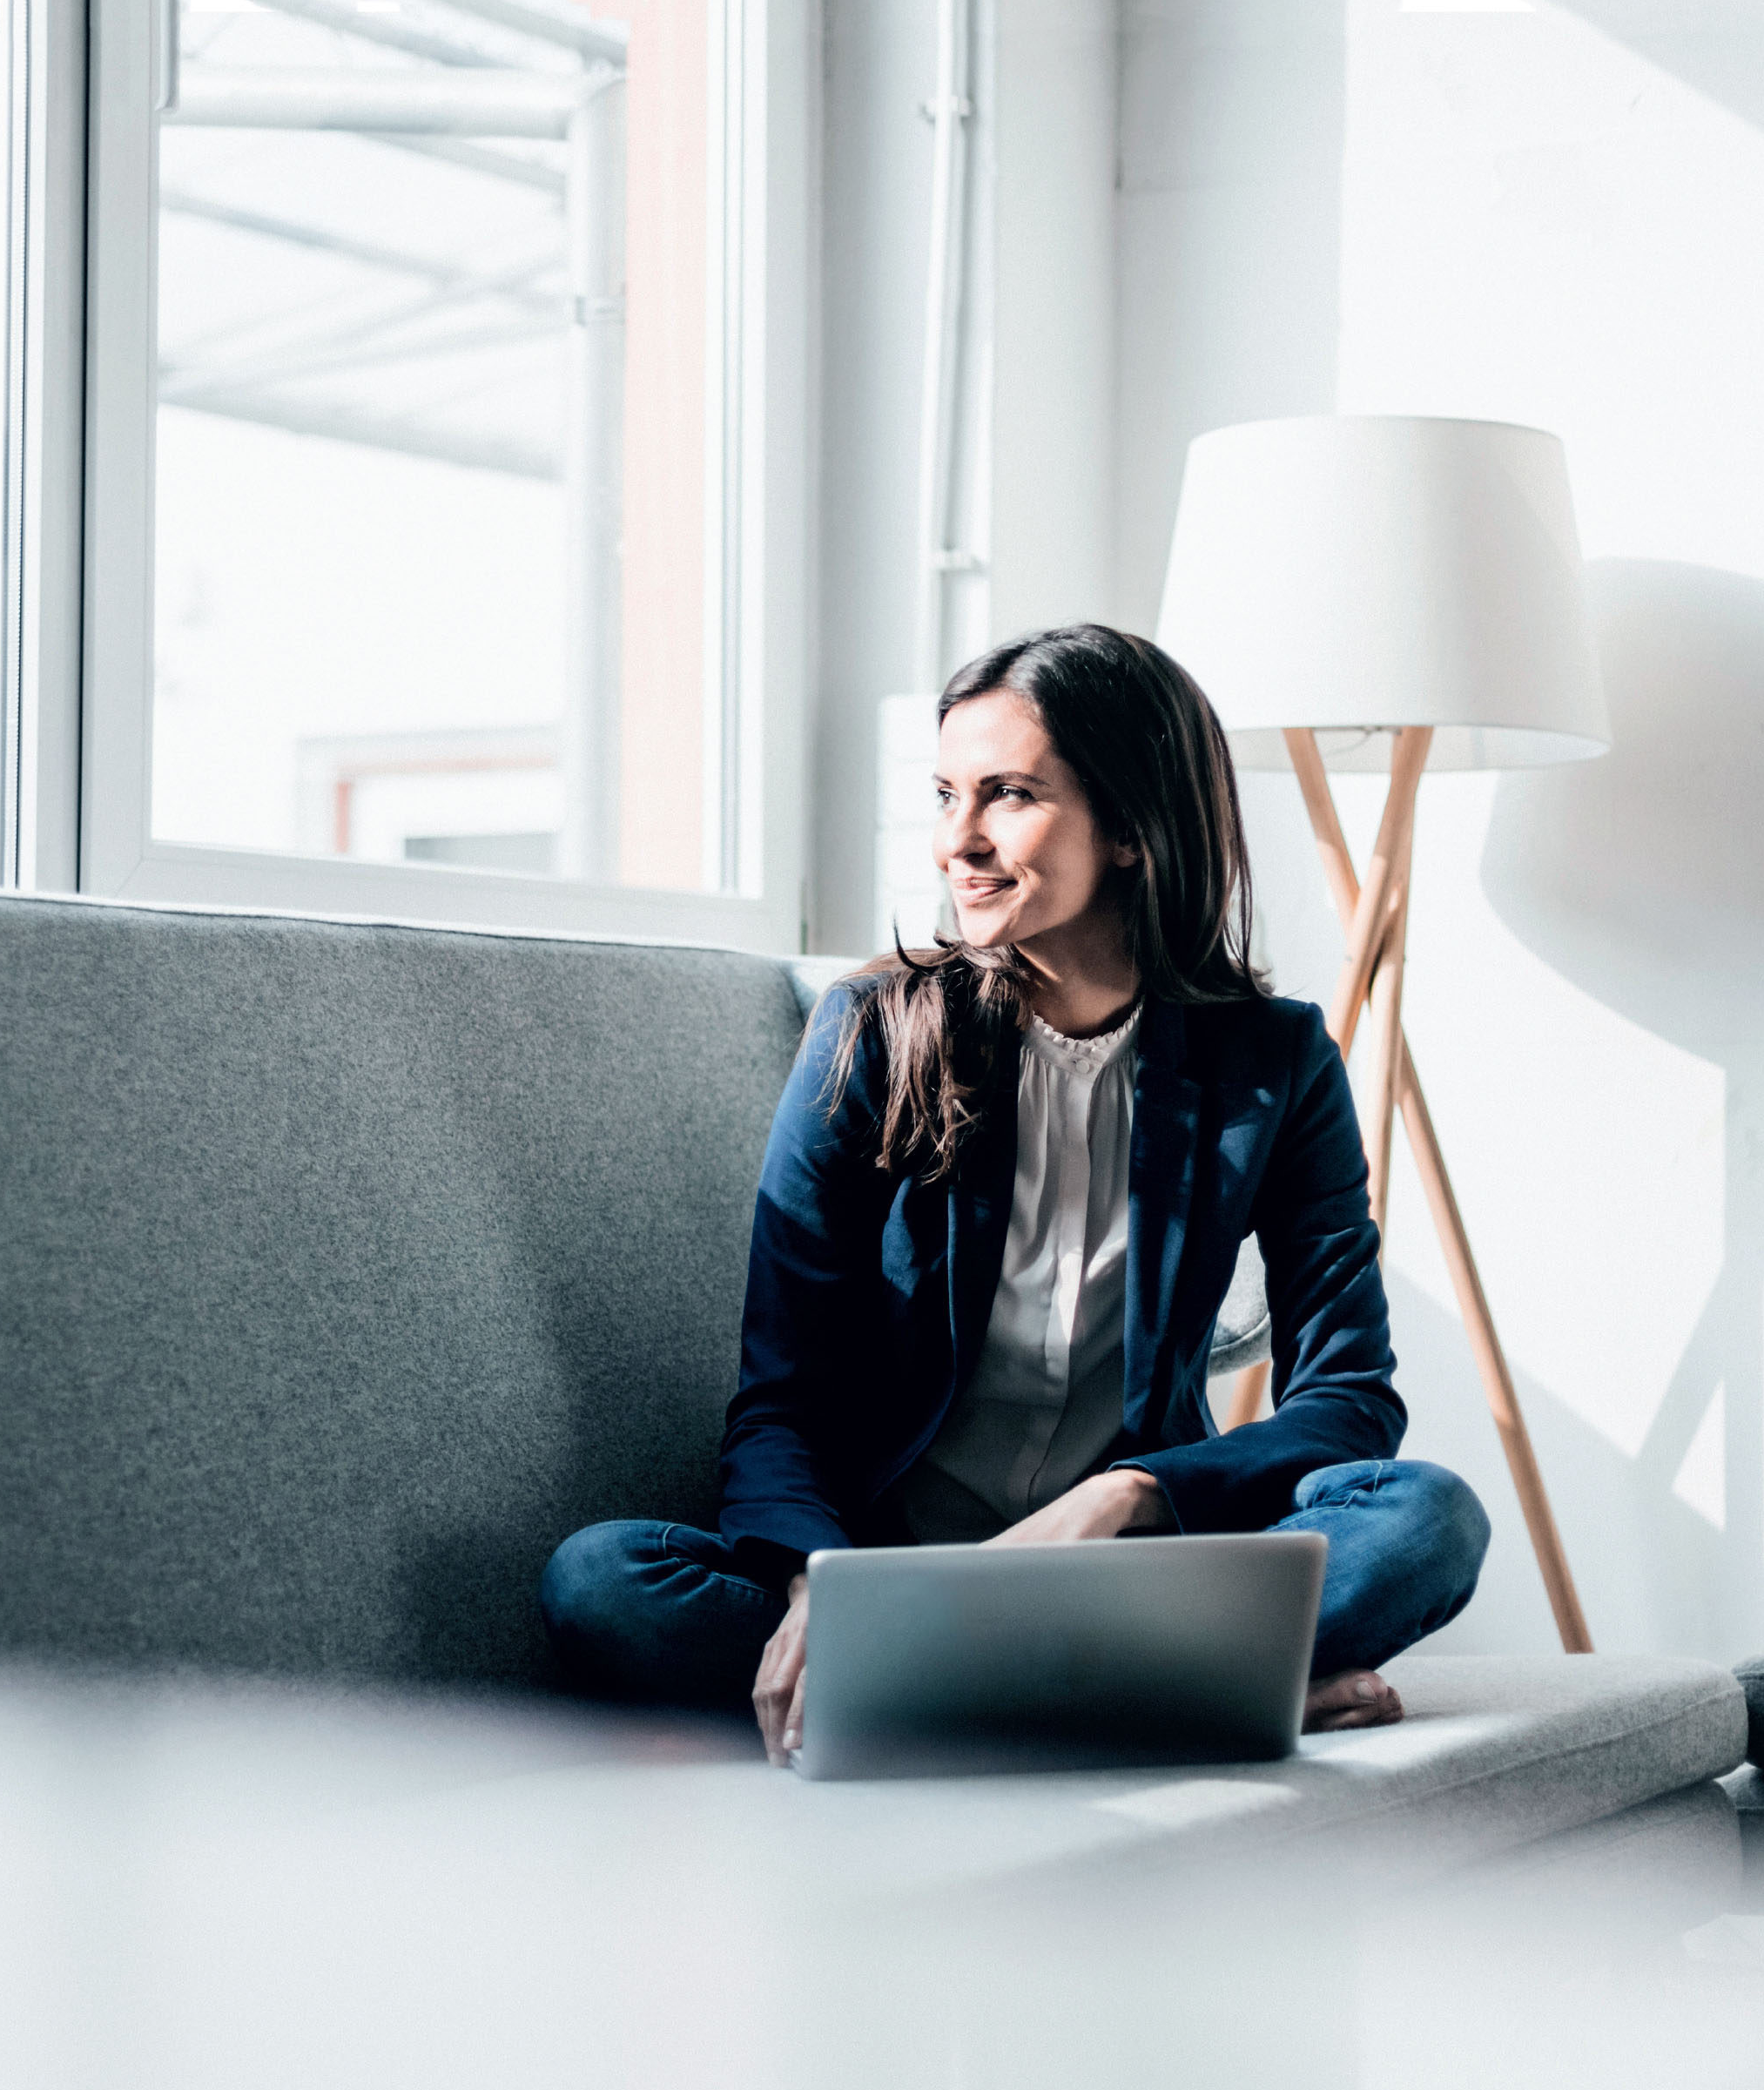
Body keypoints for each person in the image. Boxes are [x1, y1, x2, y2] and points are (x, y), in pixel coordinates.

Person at [539, 623, 1491, 1767]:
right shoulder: (872, 1032)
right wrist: (816, 1592)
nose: (961, 841)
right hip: (892, 1573)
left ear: (1133, 827)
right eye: (947, 796)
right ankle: (1197, 1692)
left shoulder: (1274, 1063)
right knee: (603, 1578)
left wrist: (1128, 1495)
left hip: (1134, 1576)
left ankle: (964, 1694)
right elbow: (782, 1395)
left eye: (1009, 796)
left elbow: (1345, 1402)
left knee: (1429, 1516)